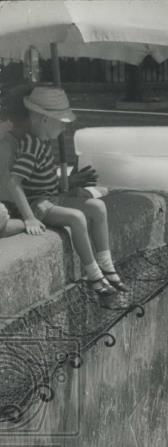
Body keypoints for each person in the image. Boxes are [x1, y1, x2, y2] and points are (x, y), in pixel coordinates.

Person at [1, 86, 125, 295]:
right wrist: (29, 218)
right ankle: (94, 275)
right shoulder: (31, 145)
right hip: (40, 204)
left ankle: (107, 265)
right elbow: (14, 183)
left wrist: (66, 183)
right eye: (61, 123)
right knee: (77, 218)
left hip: (52, 198)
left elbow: (43, 178)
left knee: (98, 207)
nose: (64, 128)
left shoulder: (42, 142)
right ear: (44, 120)